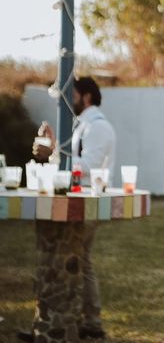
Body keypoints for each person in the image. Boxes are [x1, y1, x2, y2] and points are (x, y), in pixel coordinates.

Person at [22, 76, 116, 341]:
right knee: (79, 260)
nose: (66, 100)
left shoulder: (98, 126)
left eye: (71, 94)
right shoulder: (84, 125)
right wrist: (53, 150)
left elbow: (89, 166)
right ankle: (73, 320)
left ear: (86, 96)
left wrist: (54, 150)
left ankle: (82, 322)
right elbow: (71, 163)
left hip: (86, 202)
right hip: (75, 199)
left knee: (80, 260)